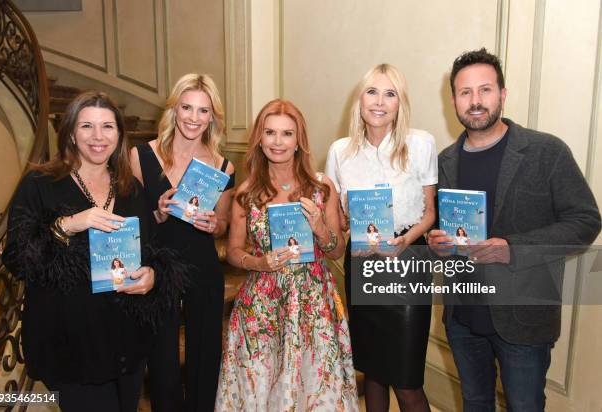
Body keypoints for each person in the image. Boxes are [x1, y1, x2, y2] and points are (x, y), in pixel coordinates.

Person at [427, 48, 601, 411]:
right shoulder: (446, 161)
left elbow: (586, 220)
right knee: (475, 403)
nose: (475, 101)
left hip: (524, 319)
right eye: (465, 92)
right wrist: (437, 242)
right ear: (454, 101)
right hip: (463, 316)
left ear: (502, 95)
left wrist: (513, 248)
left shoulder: (546, 152)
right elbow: (445, 228)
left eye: (485, 90)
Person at [2, 91, 184, 412]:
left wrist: (153, 276)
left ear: (118, 134)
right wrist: (69, 224)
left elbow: (152, 251)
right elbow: (17, 258)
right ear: (71, 133)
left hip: (127, 343)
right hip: (72, 345)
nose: (98, 137)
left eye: (107, 127)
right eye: (87, 126)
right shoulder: (41, 184)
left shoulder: (130, 188)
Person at [216, 99, 358, 411]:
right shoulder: (246, 192)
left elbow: (337, 250)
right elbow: (234, 252)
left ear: (299, 141)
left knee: (315, 391)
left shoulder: (322, 188)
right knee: (260, 387)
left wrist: (321, 228)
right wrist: (258, 262)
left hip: (313, 304)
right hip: (261, 308)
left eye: (287, 134)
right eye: (270, 132)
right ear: (259, 138)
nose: (278, 142)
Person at [325, 63, 437, 412]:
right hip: (363, 266)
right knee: (372, 371)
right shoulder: (339, 151)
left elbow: (430, 212)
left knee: (407, 382)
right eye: (372, 91)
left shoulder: (421, 143)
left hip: (407, 263)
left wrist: (406, 240)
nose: (379, 101)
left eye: (390, 94)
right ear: (359, 99)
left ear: (400, 103)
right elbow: (340, 218)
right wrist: (334, 224)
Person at [130, 73, 235, 412]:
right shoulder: (141, 156)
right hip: (158, 267)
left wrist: (213, 223)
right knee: (161, 360)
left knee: (206, 357)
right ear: (173, 109)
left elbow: (223, 223)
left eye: (203, 111)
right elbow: (132, 223)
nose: (193, 117)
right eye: (186, 107)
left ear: (212, 117)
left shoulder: (223, 165)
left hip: (202, 265)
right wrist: (157, 212)